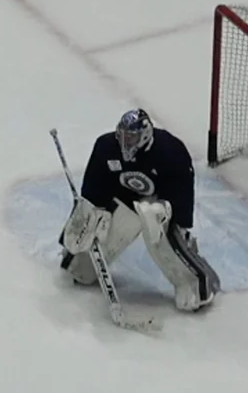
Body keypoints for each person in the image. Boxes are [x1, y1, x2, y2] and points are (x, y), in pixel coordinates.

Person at [59, 108, 218, 312]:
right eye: (122, 136)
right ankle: (81, 263)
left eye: (131, 137)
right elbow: (93, 192)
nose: (125, 142)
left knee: (152, 219)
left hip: (159, 203)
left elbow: (181, 195)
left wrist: (179, 226)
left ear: (145, 135)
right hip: (124, 198)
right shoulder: (106, 147)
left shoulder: (171, 151)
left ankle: (193, 283)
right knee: (81, 271)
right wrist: (88, 218)